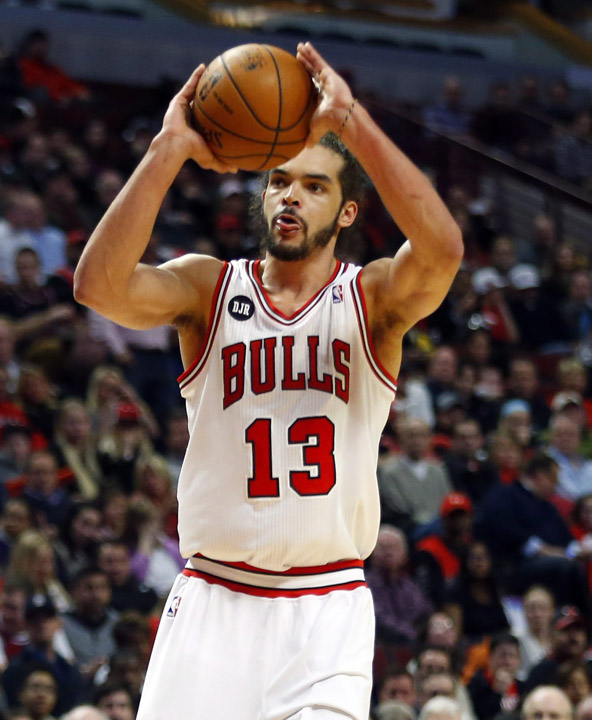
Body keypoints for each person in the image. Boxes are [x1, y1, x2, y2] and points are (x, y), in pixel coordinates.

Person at [72, 43, 463, 718]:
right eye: (280, 180)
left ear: (346, 213)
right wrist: (168, 149)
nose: (290, 197)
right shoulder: (207, 288)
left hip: (325, 606)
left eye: (315, 187)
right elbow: (98, 286)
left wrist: (353, 120)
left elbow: (443, 251)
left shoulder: (371, 301)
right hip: (214, 599)